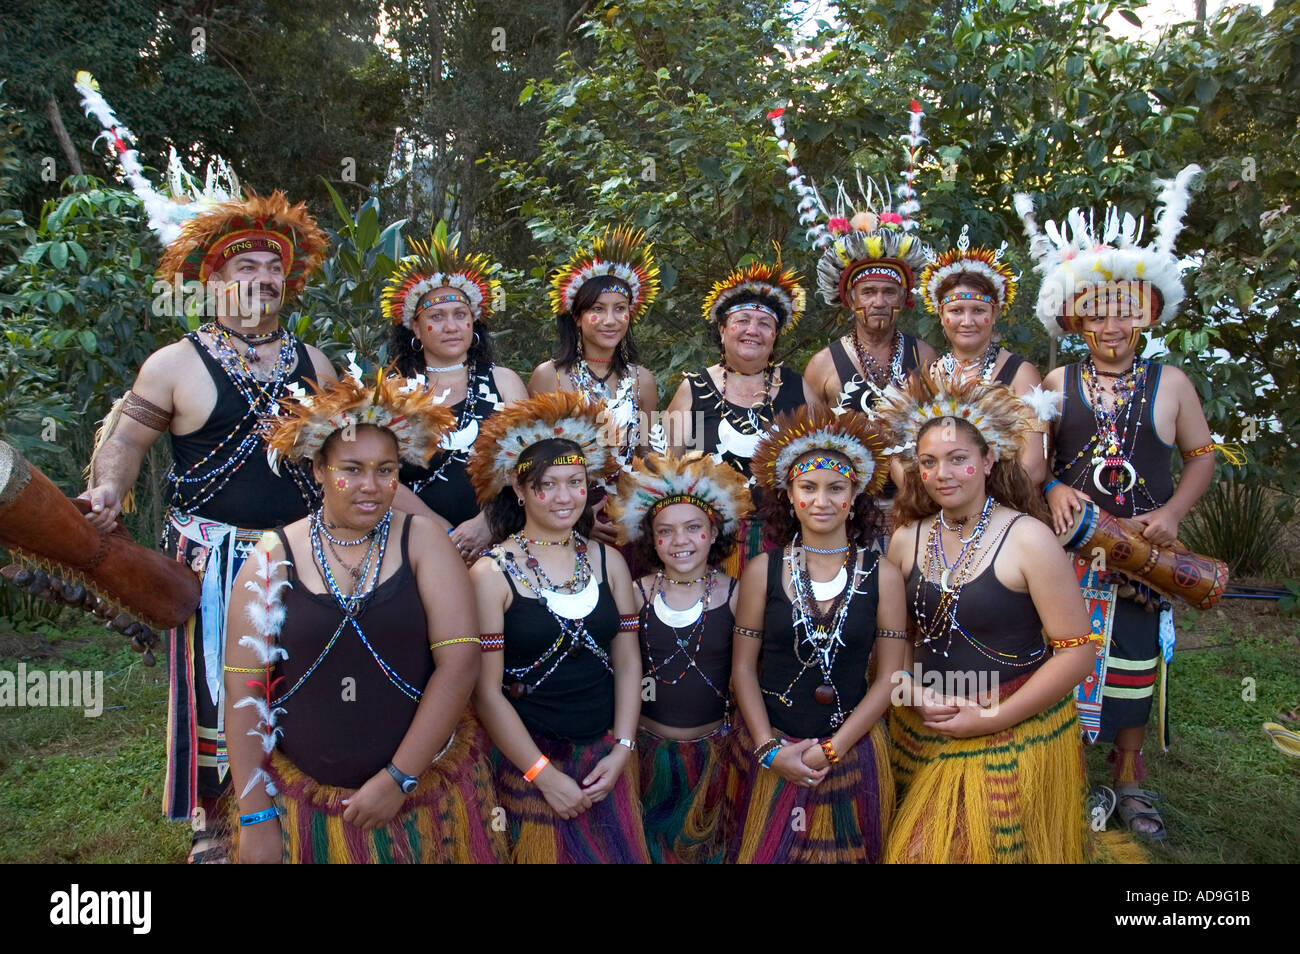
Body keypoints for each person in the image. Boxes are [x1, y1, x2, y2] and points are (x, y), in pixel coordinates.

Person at [81, 190, 335, 861]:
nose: (262, 277)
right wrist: (108, 488)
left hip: (303, 556)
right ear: (214, 280)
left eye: (272, 266)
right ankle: (218, 825)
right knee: (218, 692)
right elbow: (126, 442)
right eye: (244, 265)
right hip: (214, 560)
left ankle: (302, 806)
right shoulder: (174, 364)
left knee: (305, 679)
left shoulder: (317, 366)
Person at [1016, 166, 1224, 841]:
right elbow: (1032, 463)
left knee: (1132, 666)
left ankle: (1130, 782)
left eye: (1126, 308)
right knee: (1066, 657)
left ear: (1149, 312)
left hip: (1145, 557)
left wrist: (1172, 516)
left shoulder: (1173, 383)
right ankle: (1068, 775)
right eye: (1099, 311)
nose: (1113, 324)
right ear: (1076, 317)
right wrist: (1050, 489)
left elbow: (1202, 456)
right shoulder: (1055, 380)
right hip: (1071, 556)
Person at [224, 370, 506, 863]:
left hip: (425, 800)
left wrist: (400, 777)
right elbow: (244, 690)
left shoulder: (422, 541)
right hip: (310, 810)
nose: (370, 486)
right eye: (350, 469)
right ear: (318, 469)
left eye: (386, 469)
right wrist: (255, 817)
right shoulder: (272, 556)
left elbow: (460, 665)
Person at [876, 371, 1095, 863]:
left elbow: (1078, 653)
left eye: (958, 459)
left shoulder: (1028, 539)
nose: (943, 474)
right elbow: (893, 641)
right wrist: (910, 689)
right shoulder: (906, 538)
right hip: (923, 724)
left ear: (988, 459)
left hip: (1010, 724)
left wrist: (989, 717)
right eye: (928, 462)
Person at [466, 391, 650, 863]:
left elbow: (628, 662)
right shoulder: (491, 574)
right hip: (526, 767)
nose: (565, 497)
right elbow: (486, 692)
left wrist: (623, 749)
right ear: (519, 488)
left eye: (576, 482)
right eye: (547, 485)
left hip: (604, 759)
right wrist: (543, 775)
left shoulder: (609, 562)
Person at [727, 407, 906, 864]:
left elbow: (890, 677)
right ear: (789, 495)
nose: (822, 500)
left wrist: (834, 748)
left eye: (836, 488)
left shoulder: (881, 575)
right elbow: (744, 669)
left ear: (855, 494)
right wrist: (769, 750)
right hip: (773, 748)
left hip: (852, 751)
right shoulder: (761, 571)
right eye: (808, 487)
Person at [605, 451, 753, 863]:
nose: (680, 541)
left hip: (717, 755)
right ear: (650, 539)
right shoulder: (636, 593)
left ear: (714, 531)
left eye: (693, 528)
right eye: (665, 532)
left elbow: (749, 673)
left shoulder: (736, 593)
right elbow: (620, 669)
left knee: (710, 846)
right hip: (647, 754)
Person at [382, 225, 528, 562]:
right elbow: (377, 472)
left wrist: (488, 522)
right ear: (415, 328)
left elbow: (530, 462)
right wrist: (441, 531)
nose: (451, 326)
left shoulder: (504, 382)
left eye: (460, 315)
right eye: (437, 317)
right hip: (413, 547)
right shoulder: (393, 392)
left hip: (498, 544)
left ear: (473, 323)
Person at [663, 260, 817, 574]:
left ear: (774, 335)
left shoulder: (799, 389)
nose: (752, 330)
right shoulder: (692, 390)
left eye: (764, 323)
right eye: (742, 320)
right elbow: (665, 472)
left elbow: (824, 465)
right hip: (708, 546)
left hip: (785, 544)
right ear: (722, 330)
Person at [529, 226, 660, 544]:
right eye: (597, 310)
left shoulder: (642, 380)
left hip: (629, 516)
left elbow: (646, 451)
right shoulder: (550, 377)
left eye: (620, 309)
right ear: (576, 317)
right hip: (565, 512)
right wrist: (581, 514)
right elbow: (534, 458)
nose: (611, 320)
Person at [918, 225, 1050, 485]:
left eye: (978, 310)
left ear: (995, 313)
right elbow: (906, 452)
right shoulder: (930, 374)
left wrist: (978, 501)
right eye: (956, 311)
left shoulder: (1020, 374)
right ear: (941, 316)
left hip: (1002, 507)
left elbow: (1033, 466)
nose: (967, 321)